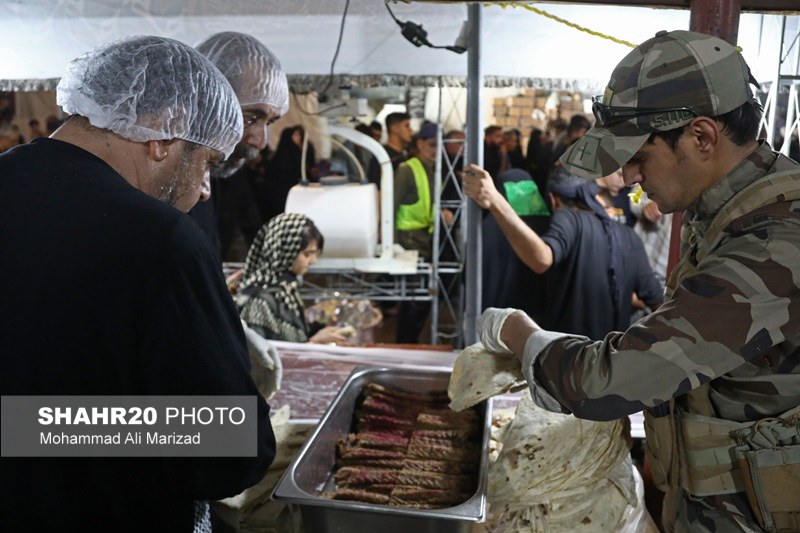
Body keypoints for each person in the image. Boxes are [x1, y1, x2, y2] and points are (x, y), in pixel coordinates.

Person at [475, 30, 800, 532]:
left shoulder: (774, 243)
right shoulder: (726, 216)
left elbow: (608, 381)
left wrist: (520, 333)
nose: (627, 177)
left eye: (638, 157)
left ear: (702, 137)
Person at [0, 36, 275, 531]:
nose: (206, 188)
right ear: (164, 132)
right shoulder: (162, 241)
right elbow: (229, 452)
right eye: (208, 162)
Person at [466, 164, 662, 340]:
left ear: (553, 199)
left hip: (565, 360)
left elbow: (542, 258)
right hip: (612, 362)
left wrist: (496, 201)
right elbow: (658, 302)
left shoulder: (568, 219)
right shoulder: (629, 236)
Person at [188, 31, 289, 255]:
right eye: (250, 118)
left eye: (269, 122)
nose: (260, 142)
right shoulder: (163, 191)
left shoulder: (214, 179)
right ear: (206, 100)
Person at [238, 213, 349, 344]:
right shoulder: (258, 300)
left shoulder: (285, 290)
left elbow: (293, 339)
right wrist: (313, 343)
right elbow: (260, 357)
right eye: (307, 254)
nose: (313, 261)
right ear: (285, 251)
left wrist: (318, 332)